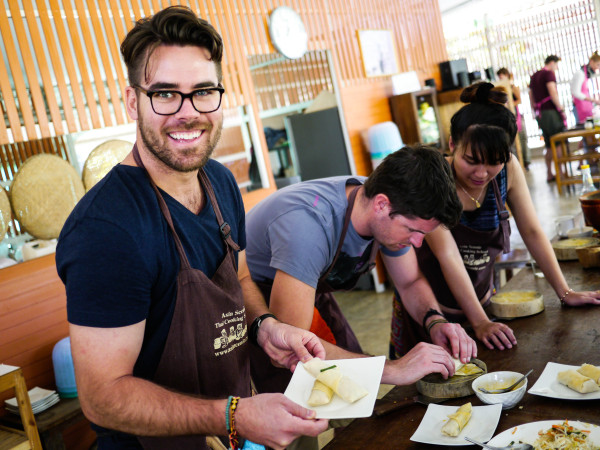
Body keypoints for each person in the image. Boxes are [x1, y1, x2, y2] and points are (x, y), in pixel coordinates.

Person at [55, 6, 329, 450]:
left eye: (203, 91)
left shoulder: (219, 180)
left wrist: (264, 326)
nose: (188, 113)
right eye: (165, 94)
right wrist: (234, 415)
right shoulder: (106, 230)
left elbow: (237, 278)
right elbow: (102, 398)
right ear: (132, 101)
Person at [245, 145, 478, 397]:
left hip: (308, 289)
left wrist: (435, 321)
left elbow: (409, 281)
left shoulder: (386, 201)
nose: (418, 243)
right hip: (255, 300)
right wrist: (394, 369)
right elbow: (292, 346)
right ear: (381, 205)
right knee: (295, 406)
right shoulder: (308, 229)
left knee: (356, 393)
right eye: (413, 230)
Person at [390, 82, 600, 359]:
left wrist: (565, 292)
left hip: (483, 305)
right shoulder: (436, 179)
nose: (482, 172)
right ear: (453, 144)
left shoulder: (508, 169)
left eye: (494, 161)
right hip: (432, 316)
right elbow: (448, 255)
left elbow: (533, 231)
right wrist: (479, 323)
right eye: (471, 160)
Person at [529, 55, 565, 182]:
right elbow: (552, 92)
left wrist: (534, 111)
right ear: (551, 63)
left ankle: (549, 173)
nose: (556, 68)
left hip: (541, 114)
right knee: (558, 142)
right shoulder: (548, 74)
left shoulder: (534, 75)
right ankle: (560, 172)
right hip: (550, 112)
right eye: (556, 65)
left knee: (548, 144)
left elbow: (531, 95)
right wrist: (561, 109)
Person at [497, 67, 530, 170]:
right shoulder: (500, 89)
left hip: (517, 116)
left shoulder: (513, 87)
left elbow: (519, 100)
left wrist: (510, 105)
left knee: (522, 139)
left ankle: (526, 161)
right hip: (507, 117)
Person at [570, 52, 600, 124]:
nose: (598, 68)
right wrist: (593, 100)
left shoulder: (586, 75)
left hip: (587, 107)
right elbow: (575, 92)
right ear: (591, 62)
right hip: (580, 107)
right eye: (598, 65)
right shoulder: (580, 74)